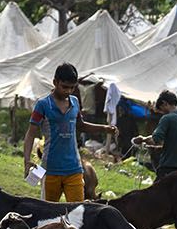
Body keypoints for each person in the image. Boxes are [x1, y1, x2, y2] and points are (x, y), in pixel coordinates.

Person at [23, 63, 117, 202]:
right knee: (49, 212)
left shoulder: (75, 102)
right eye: (65, 87)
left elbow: (81, 125)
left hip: (74, 168)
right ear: (55, 82)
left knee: (77, 211)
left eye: (72, 87)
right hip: (50, 170)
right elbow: (31, 133)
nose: (68, 91)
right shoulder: (43, 105)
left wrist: (104, 128)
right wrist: (26, 161)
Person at [134, 90, 177, 173]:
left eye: (162, 110)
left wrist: (143, 139)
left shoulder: (167, 118)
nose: (163, 113)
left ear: (165, 103)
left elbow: (155, 139)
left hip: (167, 166)